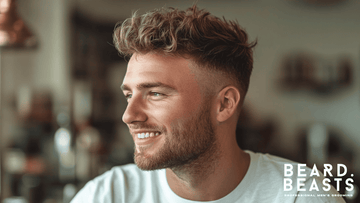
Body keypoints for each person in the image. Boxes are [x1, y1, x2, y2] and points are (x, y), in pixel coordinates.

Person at [71, 5, 346, 203]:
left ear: (224, 104)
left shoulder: (301, 194)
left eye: (155, 94)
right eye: (129, 95)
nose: (129, 115)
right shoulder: (110, 194)